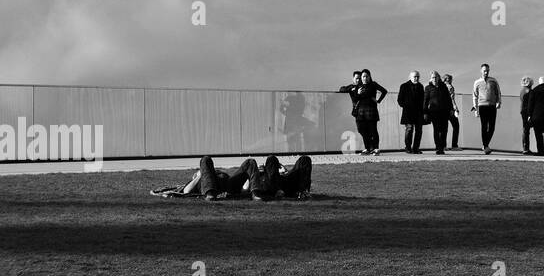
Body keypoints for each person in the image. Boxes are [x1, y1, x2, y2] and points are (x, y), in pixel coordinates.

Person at [150, 155, 313, 201]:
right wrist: (198, 176)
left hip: (229, 184)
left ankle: (256, 193)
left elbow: (241, 188)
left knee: (250, 162)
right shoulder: (201, 177)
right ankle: (210, 194)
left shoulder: (222, 174)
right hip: (213, 188)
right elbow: (186, 191)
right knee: (205, 159)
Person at [353, 68, 388, 154]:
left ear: (369, 77)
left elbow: (384, 91)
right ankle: (367, 148)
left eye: (367, 76)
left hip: (371, 110)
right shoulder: (359, 86)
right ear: (361, 77)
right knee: (363, 130)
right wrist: (358, 93)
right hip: (361, 111)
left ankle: (376, 148)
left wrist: (378, 100)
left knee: (373, 130)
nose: (365, 78)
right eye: (363, 76)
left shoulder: (373, 84)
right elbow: (355, 98)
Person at [472, 63, 501, 154]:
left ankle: (485, 144)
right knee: (484, 126)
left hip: (492, 106)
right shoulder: (477, 82)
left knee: (492, 127)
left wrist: (499, 102)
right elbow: (474, 96)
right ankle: (485, 146)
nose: (486, 72)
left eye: (487, 70)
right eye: (484, 70)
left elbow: (498, 92)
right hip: (482, 106)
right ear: (481, 71)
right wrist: (476, 109)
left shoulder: (493, 81)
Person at [338, 70, 366, 152]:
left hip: (361, 112)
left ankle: (367, 147)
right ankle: (350, 148)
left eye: (359, 78)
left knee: (362, 130)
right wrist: (351, 89)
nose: (358, 80)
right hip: (351, 113)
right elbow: (341, 89)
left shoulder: (363, 88)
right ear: (353, 78)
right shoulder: (351, 87)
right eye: (357, 78)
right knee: (355, 130)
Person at [424, 71, 453, 154]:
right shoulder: (428, 88)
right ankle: (438, 147)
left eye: (436, 77)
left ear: (439, 78)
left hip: (444, 111)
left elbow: (448, 98)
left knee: (444, 130)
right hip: (434, 112)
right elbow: (425, 101)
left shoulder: (443, 86)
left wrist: (451, 109)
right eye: (433, 77)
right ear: (431, 78)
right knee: (436, 130)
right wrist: (425, 112)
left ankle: (442, 146)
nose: (435, 79)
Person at [398, 71, 425, 154]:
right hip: (408, 112)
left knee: (419, 130)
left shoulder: (420, 86)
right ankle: (408, 147)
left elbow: (423, 99)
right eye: (414, 76)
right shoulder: (404, 86)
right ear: (410, 77)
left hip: (418, 112)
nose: (416, 78)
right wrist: (406, 106)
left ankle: (416, 148)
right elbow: (399, 100)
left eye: (418, 76)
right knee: (409, 129)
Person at [443, 73, 460, 149]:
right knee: (456, 126)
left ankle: (443, 146)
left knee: (444, 128)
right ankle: (454, 145)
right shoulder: (450, 87)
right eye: (451, 79)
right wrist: (455, 108)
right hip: (450, 110)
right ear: (447, 79)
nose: (451, 81)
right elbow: (452, 99)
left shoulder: (441, 87)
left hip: (443, 109)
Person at [519, 77, 534, 153]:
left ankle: (525, 147)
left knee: (525, 129)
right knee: (526, 130)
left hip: (522, 110)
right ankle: (526, 148)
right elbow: (530, 103)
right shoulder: (529, 91)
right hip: (527, 112)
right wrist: (530, 114)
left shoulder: (522, 91)